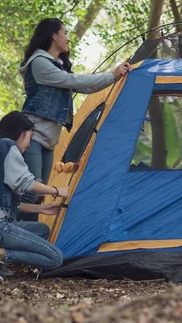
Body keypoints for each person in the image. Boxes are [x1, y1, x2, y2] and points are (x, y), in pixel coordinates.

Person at [18, 18, 132, 220]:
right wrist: (111, 75)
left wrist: (114, 77)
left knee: (39, 196)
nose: (68, 39)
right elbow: (74, 81)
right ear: (54, 35)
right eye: (65, 33)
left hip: (50, 140)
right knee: (30, 191)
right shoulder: (39, 64)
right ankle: (11, 236)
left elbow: (82, 86)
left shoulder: (57, 66)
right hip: (33, 136)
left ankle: (28, 239)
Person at [0, 111, 69, 281]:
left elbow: (2, 203)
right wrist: (56, 191)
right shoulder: (7, 145)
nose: (29, 144)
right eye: (29, 138)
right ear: (20, 133)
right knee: (55, 258)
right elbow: (25, 183)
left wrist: (41, 208)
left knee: (42, 230)